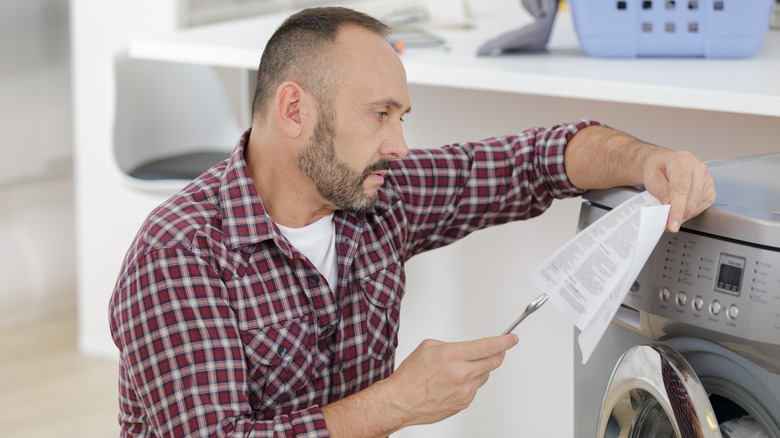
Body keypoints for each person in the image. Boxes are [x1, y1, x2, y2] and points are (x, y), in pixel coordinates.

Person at [109, 6, 716, 437]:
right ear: (294, 109)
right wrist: (396, 403)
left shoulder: (374, 196)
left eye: (401, 116)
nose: (399, 145)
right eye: (380, 115)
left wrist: (650, 161)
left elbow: (535, 158)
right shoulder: (179, 253)